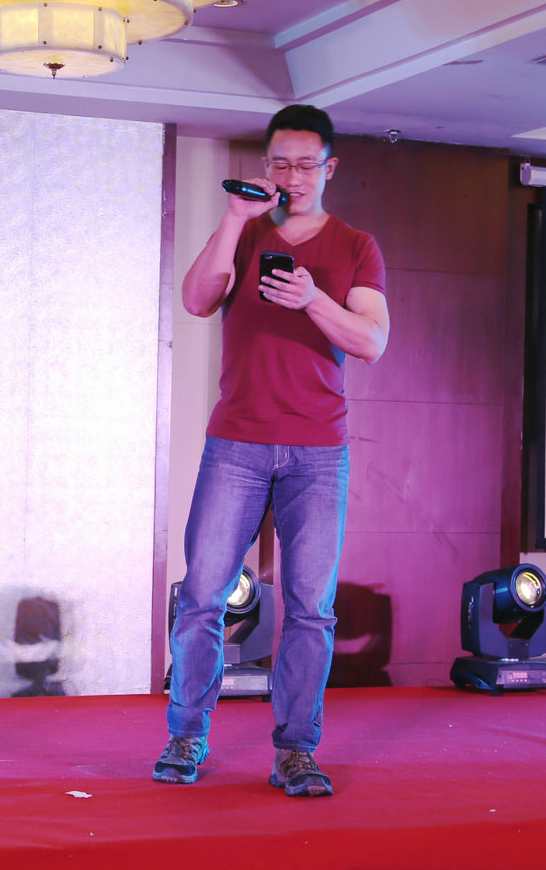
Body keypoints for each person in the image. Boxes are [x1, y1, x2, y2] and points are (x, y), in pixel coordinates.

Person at [153, 105, 389, 797]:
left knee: (310, 608)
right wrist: (234, 219)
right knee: (202, 596)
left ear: (329, 168)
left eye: (306, 165)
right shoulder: (247, 230)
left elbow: (372, 341)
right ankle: (186, 735)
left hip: (318, 451)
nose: (293, 176)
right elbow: (197, 300)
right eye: (281, 164)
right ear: (266, 167)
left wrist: (313, 298)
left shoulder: (356, 246)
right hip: (236, 442)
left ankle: (295, 750)